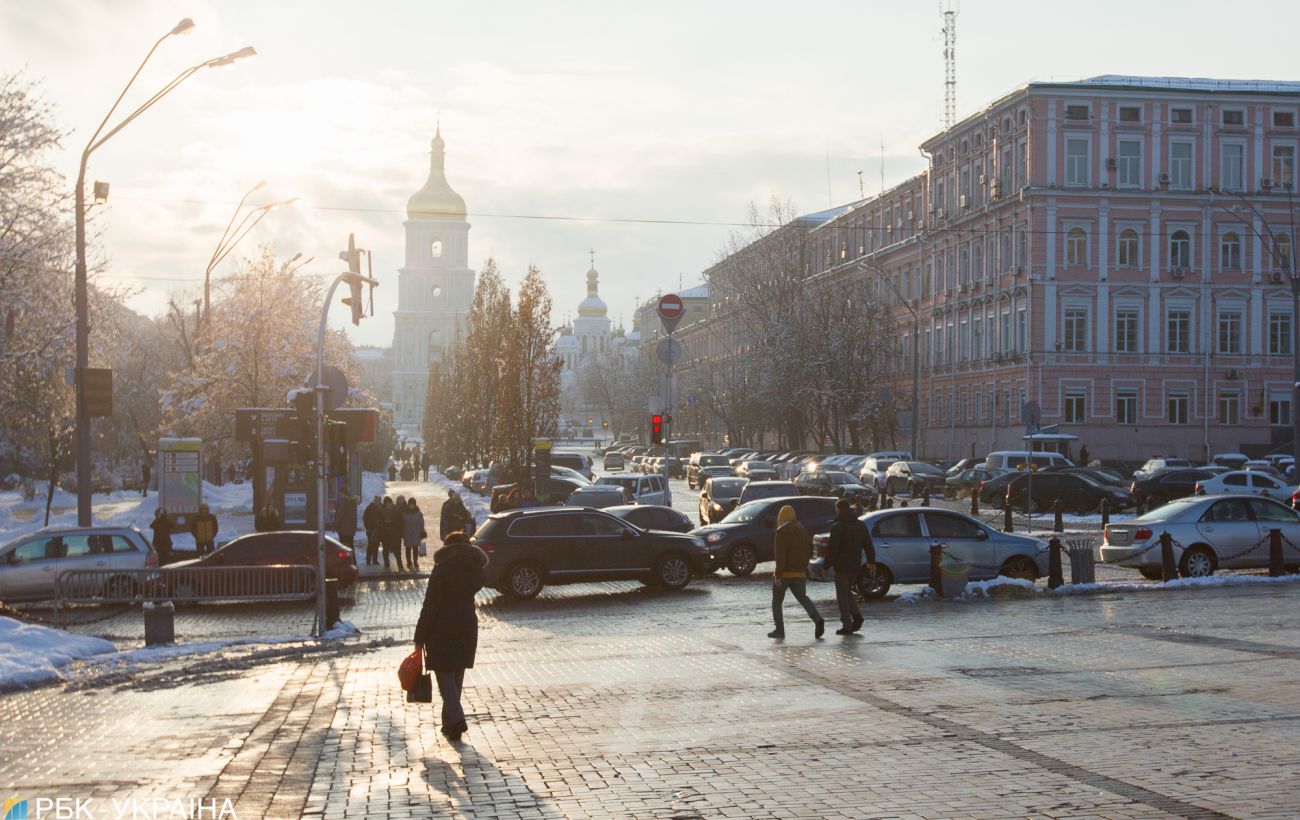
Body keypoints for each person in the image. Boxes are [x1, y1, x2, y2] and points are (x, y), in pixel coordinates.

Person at [414, 531, 489, 742]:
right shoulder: (476, 569)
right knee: (456, 678)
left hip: (441, 629)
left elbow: (431, 605)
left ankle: (457, 719)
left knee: (445, 677)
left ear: (448, 547)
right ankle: (450, 726)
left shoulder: (442, 570)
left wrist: (419, 636)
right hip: (466, 627)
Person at [769, 504, 825, 639]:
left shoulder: (781, 532)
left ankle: (779, 629)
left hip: (785, 573)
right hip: (799, 571)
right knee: (803, 598)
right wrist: (805, 567)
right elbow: (807, 551)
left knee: (777, 600)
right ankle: (817, 619)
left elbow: (780, 555)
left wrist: (778, 574)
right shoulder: (802, 530)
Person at [827, 498, 874, 635]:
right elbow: (868, 545)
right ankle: (857, 616)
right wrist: (871, 561)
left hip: (841, 566)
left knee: (842, 595)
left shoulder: (838, 527)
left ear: (839, 509)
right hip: (855, 564)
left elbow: (832, 549)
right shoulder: (860, 525)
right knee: (847, 591)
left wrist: (826, 565)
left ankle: (847, 625)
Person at [381, 496, 405, 572]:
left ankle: (400, 565)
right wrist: (384, 523)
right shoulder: (381, 511)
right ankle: (386, 564)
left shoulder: (396, 510)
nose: (388, 505)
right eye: (386, 503)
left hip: (395, 534)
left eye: (389, 503)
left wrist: (392, 522)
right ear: (385, 504)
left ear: (391, 503)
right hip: (385, 534)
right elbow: (378, 522)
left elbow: (400, 522)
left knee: (397, 551)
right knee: (385, 550)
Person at [403, 498, 426, 572]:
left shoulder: (419, 513)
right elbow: (402, 523)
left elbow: (421, 523)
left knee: (415, 549)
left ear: (415, 505)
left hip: (416, 533)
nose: (411, 506)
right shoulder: (405, 513)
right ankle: (409, 562)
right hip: (407, 533)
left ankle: (415, 562)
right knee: (408, 549)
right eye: (410, 504)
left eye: (412, 504)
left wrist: (422, 531)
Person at [362, 496, 383, 565]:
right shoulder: (369, 508)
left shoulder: (381, 508)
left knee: (376, 545)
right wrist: (367, 527)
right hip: (370, 530)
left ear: (380, 501)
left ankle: (374, 560)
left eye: (378, 501)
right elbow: (364, 518)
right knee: (370, 545)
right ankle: (368, 560)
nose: (376, 502)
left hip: (378, 530)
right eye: (375, 500)